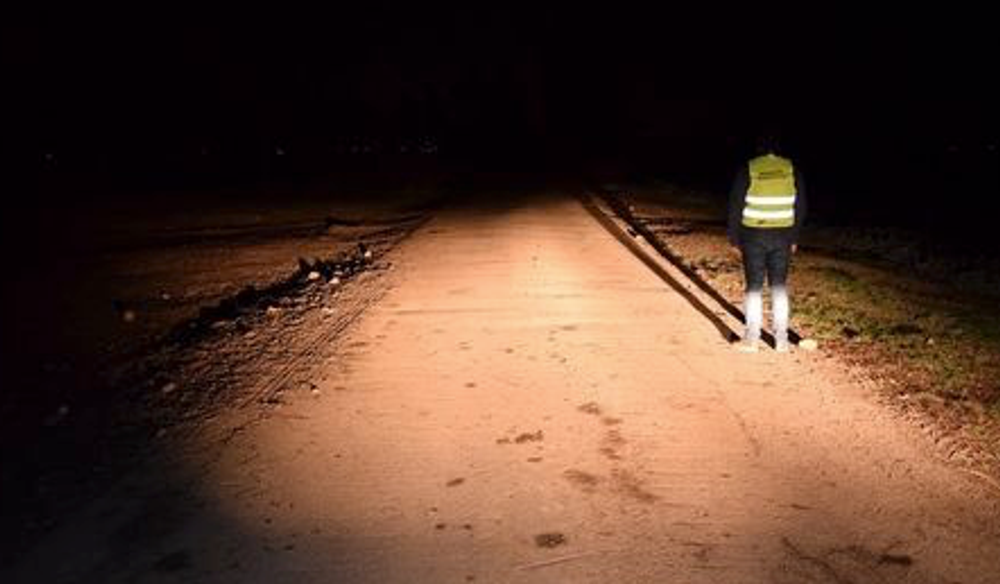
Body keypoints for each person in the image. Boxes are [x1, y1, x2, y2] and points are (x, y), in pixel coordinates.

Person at [727, 133, 807, 352]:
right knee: (779, 286)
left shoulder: (750, 168)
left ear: (759, 147)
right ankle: (781, 340)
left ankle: (752, 338)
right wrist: (794, 237)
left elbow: (735, 205)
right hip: (783, 235)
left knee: (753, 286)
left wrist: (734, 238)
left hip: (753, 235)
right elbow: (800, 207)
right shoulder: (791, 169)